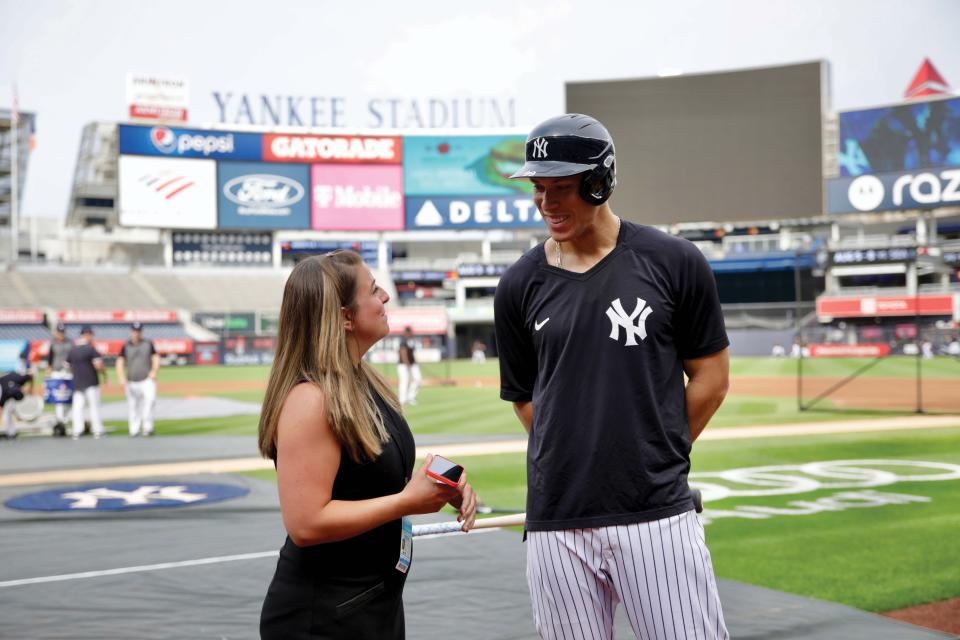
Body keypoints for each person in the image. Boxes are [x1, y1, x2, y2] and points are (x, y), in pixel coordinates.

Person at [495, 114, 730, 639]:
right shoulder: (517, 284)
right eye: (539, 189)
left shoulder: (675, 262)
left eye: (562, 188)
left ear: (599, 183)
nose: (548, 204)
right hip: (556, 521)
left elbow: (712, 379)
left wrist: (651, 454)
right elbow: (526, 398)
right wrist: (580, 460)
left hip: (655, 516)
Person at [257, 250, 477, 639]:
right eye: (374, 291)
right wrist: (408, 501)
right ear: (344, 317)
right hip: (324, 617)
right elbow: (306, 523)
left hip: (372, 602)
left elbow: (372, 478)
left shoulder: (364, 381)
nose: (386, 297)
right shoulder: (311, 400)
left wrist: (442, 482)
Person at [116, 321, 160, 437]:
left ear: (141, 332)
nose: (136, 333)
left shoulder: (148, 343)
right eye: (135, 331)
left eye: (138, 331)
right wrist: (121, 376)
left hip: (147, 379)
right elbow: (120, 361)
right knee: (133, 405)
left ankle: (147, 427)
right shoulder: (126, 345)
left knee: (150, 401)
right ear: (131, 332)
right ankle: (134, 429)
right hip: (131, 379)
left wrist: (154, 371)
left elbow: (155, 357)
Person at [66, 325, 107, 439]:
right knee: (94, 406)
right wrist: (104, 374)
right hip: (91, 382)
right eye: (90, 335)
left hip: (77, 382)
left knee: (77, 408)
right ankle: (97, 430)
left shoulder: (72, 349)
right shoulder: (90, 349)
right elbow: (98, 365)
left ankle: (77, 430)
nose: (91, 337)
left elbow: (67, 366)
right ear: (86, 335)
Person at [45, 322, 73, 432]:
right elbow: (50, 358)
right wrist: (48, 370)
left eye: (62, 332)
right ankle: (60, 421)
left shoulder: (70, 343)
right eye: (59, 332)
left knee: (69, 397)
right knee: (59, 398)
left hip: (68, 372)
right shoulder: (53, 343)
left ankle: (64, 419)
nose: (61, 334)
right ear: (56, 332)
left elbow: (73, 356)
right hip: (56, 372)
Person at [1, 371, 34, 439]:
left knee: (7, 415)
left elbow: (31, 376)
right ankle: (11, 432)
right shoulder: (13, 383)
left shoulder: (17, 380)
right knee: (7, 415)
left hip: (10, 396)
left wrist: (31, 388)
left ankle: (11, 433)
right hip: (9, 396)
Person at [396, 326, 421, 406]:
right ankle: (402, 400)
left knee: (417, 379)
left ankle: (411, 397)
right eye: (411, 332)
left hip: (413, 364)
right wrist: (407, 365)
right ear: (407, 332)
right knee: (404, 381)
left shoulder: (411, 340)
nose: (412, 333)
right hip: (403, 365)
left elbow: (412, 353)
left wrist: (415, 362)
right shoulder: (403, 340)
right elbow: (403, 353)